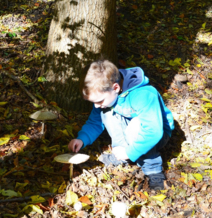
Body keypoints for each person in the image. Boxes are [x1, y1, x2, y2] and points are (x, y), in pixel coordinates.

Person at [68, 60, 174, 190]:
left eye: (99, 101)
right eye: (93, 102)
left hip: (156, 133)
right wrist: (81, 139)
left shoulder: (144, 95)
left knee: (135, 125)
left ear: (116, 88)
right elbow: (95, 122)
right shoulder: (106, 97)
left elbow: (153, 131)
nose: (96, 105)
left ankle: (153, 168)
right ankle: (121, 155)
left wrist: (130, 152)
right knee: (106, 111)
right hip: (133, 133)